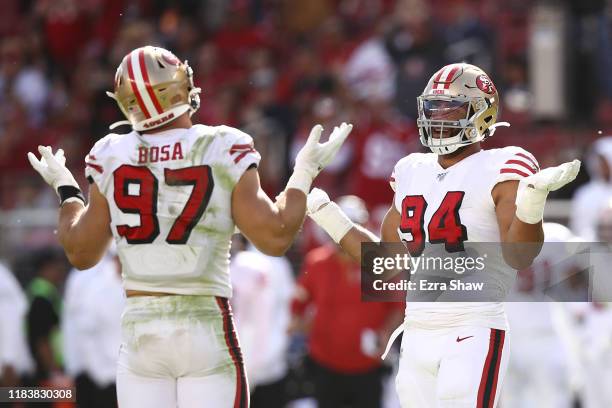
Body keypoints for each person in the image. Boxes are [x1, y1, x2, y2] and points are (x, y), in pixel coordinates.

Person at [27, 45, 351, 408]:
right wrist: (304, 172)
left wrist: (66, 188)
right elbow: (276, 236)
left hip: (141, 330)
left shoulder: (110, 154)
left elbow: (81, 252)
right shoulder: (222, 145)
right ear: (179, 86)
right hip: (204, 324)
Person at [306, 62, 581, 407]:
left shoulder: (501, 165)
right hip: (417, 331)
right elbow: (384, 263)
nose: (440, 117)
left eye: (452, 108)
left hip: (472, 327)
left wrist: (531, 204)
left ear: (482, 114)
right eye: (434, 107)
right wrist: (328, 216)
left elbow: (519, 255)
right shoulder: (411, 170)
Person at [291, 195, 404, 408]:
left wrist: (385, 333)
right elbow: (298, 308)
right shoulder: (317, 262)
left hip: (368, 367)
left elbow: (397, 309)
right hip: (324, 364)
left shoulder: (380, 263)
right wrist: (303, 323)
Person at [230, 238, 295, 408]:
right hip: (242, 365)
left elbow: (287, 308)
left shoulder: (278, 264)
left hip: (271, 366)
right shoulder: (242, 262)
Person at [63, 249, 123, 408]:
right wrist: (103, 374)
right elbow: (85, 333)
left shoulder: (131, 282)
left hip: (130, 375)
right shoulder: (93, 283)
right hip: (101, 377)